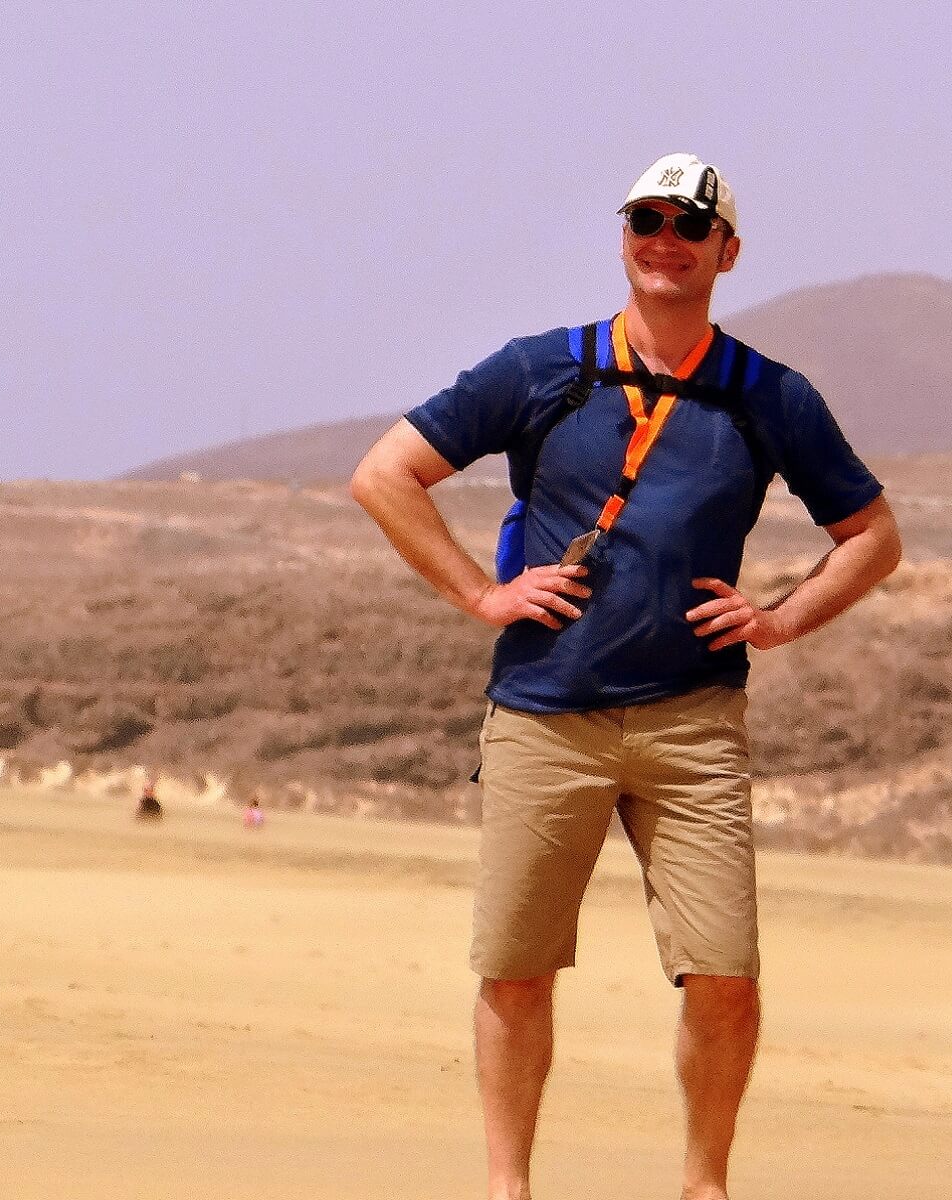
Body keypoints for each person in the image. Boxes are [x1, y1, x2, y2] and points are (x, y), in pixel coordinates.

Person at [349, 153, 900, 1200]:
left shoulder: (766, 394)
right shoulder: (542, 368)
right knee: (515, 969)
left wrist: (780, 619)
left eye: (690, 225)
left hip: (695, 726)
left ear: (726, 252)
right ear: (623, 236)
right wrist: (480, 595)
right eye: (647, 218)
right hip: (545, 716)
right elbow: (386, 476)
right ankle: (510, 1187)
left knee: (725, 977)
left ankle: (704, 1185)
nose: (666, 238)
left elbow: (873, 536)